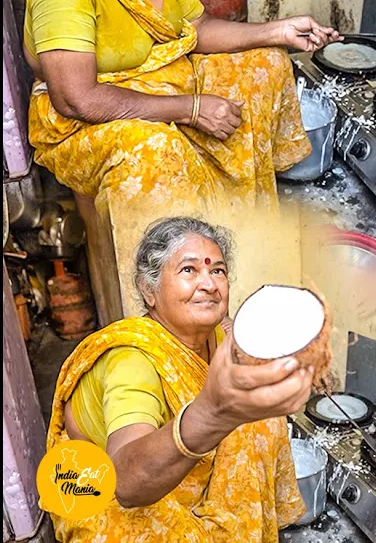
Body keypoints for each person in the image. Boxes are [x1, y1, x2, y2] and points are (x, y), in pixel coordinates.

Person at [24, 0, 341, 309]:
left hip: (161, 78)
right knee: (157, 152)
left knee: (264, 68)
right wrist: (190, 108)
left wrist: (276, 31)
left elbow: (191, 31)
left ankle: (241, 244)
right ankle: (167, 304)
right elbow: (76, 97)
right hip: (84, 117)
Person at [46, 217, 315, 541]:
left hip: (164, 467)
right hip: (101, 485)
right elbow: (126, 484)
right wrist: (213, 415)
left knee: (259, 420)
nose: (209, 284)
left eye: (217, 271)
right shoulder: (132, 361)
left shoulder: (214, 334)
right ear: (149, 290)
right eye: (189, 270)